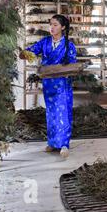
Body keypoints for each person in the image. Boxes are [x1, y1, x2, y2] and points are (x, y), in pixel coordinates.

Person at [20, 14, 77, 158]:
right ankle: (52, 142)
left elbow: (72, 65)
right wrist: (24, 53)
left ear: (63, 27)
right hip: (48, 84)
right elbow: (30, 51)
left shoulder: (69, 45)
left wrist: (63, 70)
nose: (52, 27)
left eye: (55, 25)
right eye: (50, 24)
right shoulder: (44, 42)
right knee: (51, 112)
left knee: (63, 113)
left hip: (63, 84)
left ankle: (64, 144)